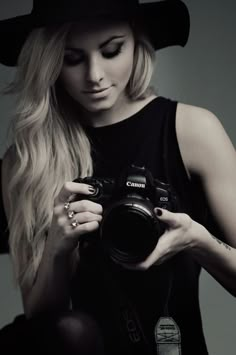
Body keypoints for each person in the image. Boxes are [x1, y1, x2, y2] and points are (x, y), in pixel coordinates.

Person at [0, 0, 236, 354]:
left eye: (112, 50)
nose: (94, 75)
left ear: (138, 42)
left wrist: (197, 240)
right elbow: (42, 319)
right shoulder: (28, 160)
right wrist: (56, 247)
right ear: (48, 62)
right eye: (72, 58)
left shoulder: (192, 130)